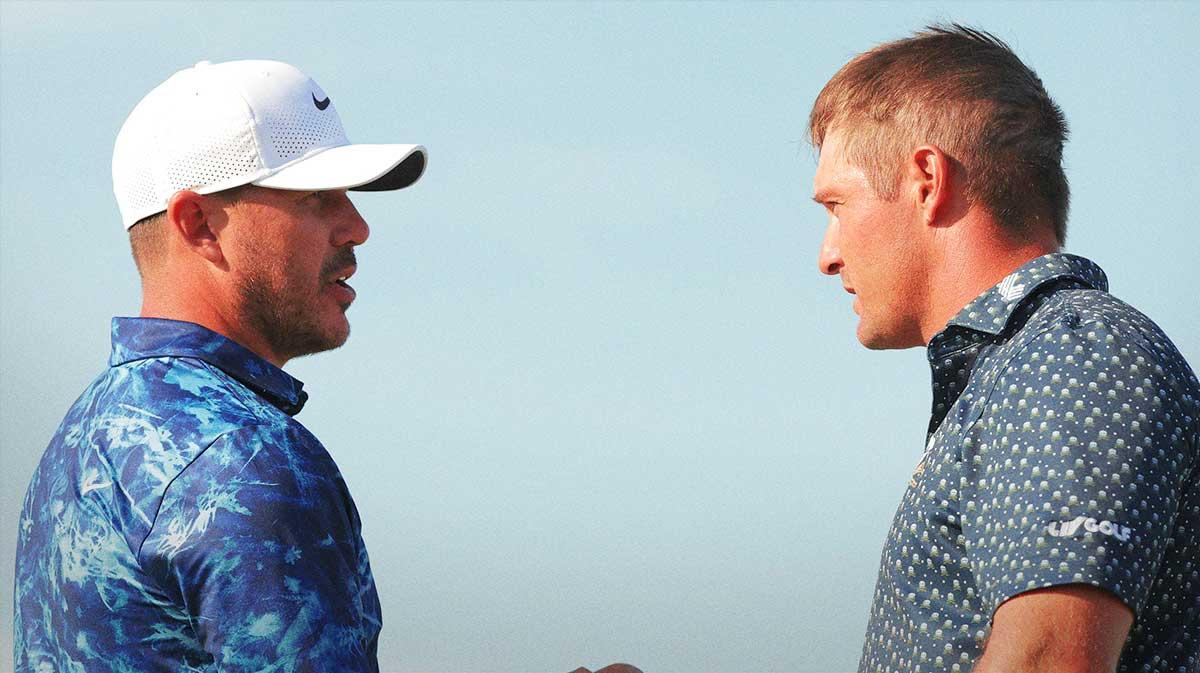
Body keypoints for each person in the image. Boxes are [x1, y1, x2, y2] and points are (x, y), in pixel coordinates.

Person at [13, 59, 427, 671]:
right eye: (317, 197)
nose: (358, 226)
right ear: (200, 224)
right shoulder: (247, 458)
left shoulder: (85, 438)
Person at [809, 25, 1199, 672]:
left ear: (927, 180)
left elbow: (1046, 661)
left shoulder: (1073, 354)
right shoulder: (1023, 372)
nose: (827, 254)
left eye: (836, 205)